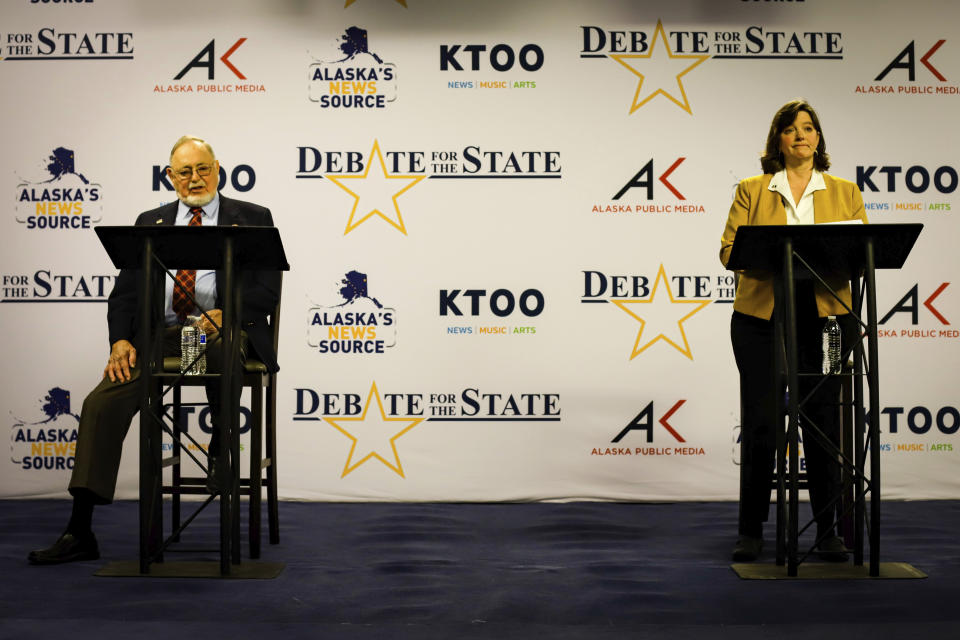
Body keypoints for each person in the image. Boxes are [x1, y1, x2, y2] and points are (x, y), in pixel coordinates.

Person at [28, 136, 280, 565]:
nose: (194, 178)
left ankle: (221, 445)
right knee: (99, 403)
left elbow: (265, 291)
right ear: (170, 177)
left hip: (219, 334)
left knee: (204, 340)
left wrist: (227, 313)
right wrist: (120, 341)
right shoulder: (152, 221)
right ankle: (79, 527)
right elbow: (125, 296)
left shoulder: (251, 217)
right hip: (156, 339)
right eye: (184, 171)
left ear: (218, 170)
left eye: (202, 169)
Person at [719, 99, 867, 562]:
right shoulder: (753, 189)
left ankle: (828, 533)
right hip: (762, 318)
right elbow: (729, 252)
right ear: (778, 140)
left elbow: (862, 253)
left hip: (828, 320)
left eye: (808, 128)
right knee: (762, 423)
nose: (800, 135)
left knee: (825, 423)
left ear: (818, 139)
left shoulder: (845, 191)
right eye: (790, 129)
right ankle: (750, 533)